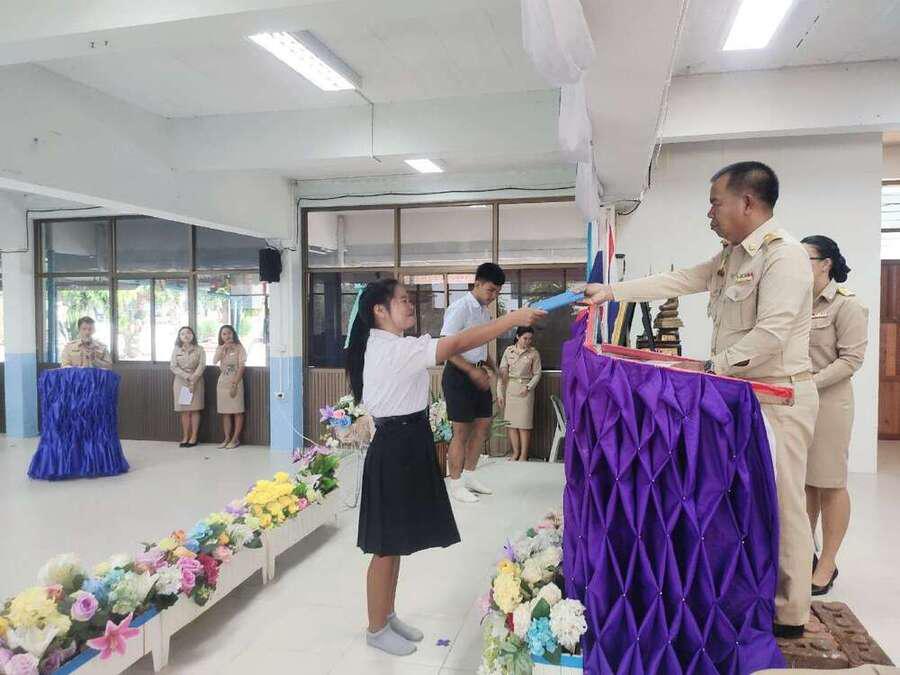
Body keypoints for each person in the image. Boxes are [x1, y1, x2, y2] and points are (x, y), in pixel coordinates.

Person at [583, 161, 819, 639]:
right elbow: (681, 280)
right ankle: (748, 592)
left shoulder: (784, 256)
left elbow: (771, 335)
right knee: (740, 502)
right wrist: (610, 292)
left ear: (747, 202)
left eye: (715, 202)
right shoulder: (732, 256)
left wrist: (712, 368)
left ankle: (791, 610)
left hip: (778, 399)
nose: (709, 213)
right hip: (737, 396)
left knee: (783, 502)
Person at [346, 278, 545, 657]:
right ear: (379, 310)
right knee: (385, 546)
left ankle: (388, 615)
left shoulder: (396, 344)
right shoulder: (392, 349)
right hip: (395, 448)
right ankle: (375, 627)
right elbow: (456, 343)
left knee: (396, 542)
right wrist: (510, 320)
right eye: (402, 300)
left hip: (408, 441)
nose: (410, 305)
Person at [801, 235, 868, 596]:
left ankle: (827, 563)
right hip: (797, 401)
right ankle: (804, 557)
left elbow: (851, 360)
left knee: (829, 483)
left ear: (825, 264)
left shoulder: (847, 305)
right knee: (805, 483)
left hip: (829, 403)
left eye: (806, 259)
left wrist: (809, 383)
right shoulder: (797, 301)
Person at [440, 262, 505, 503]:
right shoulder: (460, 308)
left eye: (497, 292)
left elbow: (480, 347)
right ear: (477, 283)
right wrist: (470, 370)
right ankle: (456, 484)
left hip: (479, 373)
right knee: (461, 432)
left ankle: (469, 475)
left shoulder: (484, 312)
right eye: (490, 290)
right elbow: (445, 346)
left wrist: (494, 368)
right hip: (459, 375)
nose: (493, 295)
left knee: (483, 427)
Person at [498, 326, 542, 461]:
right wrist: (500, 392)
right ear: (517, 337)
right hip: (511, 389)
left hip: (525, 391)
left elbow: (537, 374)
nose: (527, 341)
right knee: (511, 424)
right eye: (525, 338)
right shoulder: (508, 351)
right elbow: (502, 373)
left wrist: (528, 387)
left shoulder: (534, 353)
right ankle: (515, 453)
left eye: (530, 339)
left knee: (524, 425)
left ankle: (523, 455)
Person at [170, 326, 206, 448]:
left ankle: (194, 436)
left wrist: (194, 378)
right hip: (181, 382)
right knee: (184, 411)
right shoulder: (176, 349)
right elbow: (173, 366)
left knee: (195, 409)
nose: (186, 335)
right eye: (182, 334)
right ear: (179, 337)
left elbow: (202, 365)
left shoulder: (200, 349)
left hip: (196, 381)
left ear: (193, 335)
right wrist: (187, 376)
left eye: (188, 333)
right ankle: (185, 436)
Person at [214, 325, 246, 449]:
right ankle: (226, 438)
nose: (227, 336)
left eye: (229, 333)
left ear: (233, 334)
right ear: (221, 336)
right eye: (224, 334)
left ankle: (235, 439)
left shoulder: (239, 348)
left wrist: (234, 384)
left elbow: (242, 367)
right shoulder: (220, 348)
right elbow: (214, 360)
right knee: (225, 412)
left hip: (235, 381)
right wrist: (223, 348)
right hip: (223, 383)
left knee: (237, 411)